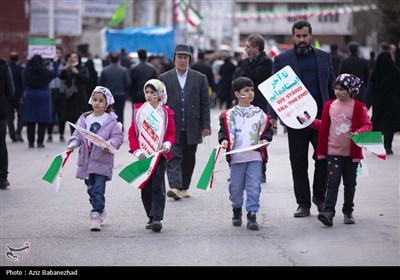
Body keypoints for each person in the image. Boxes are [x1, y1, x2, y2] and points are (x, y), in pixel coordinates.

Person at [269, 20, 336, 217]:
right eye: (298, 36)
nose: (302, 40)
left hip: (322, 119)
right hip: (295, 120)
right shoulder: (282, 60)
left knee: (323, 159)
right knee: (298, 163)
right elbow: (275, 91)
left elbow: (332, 86)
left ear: (311, 35)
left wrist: (341, 111)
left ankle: (319, 197)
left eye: (305, 36)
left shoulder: (324, 57)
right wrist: (272, 115)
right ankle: (303, 204)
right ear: (293, 37)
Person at [299, 74, 372, 226]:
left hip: (352, 154)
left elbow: (368, 125)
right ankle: (328, 213)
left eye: (342, 89)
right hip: (333, 152)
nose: (338, 92)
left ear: (351, 90)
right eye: (336, 88)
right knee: (332, 183)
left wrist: (358, 132)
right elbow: (324, 125)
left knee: (350, 184)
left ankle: (348, 211)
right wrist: (310, 122)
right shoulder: (329, 105)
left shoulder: (359, 107)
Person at [218, 77, 273, 230]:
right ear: (237, 94)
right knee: (236, 186)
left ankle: (252, 214)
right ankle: (236, 208)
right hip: (237, 157)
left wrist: (266, 140)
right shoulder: (229, 115)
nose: (250, 93)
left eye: (251, 90)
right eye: (246, 91)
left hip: (255, 156)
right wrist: (223, 141)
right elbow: (224, 133)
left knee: (254, 186)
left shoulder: (259, 113)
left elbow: (267, 131)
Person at [67, 86, 124, 231]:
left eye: (101, 101)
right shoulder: (84, 119)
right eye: (95, 99)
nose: (97, 103)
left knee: (99, 188)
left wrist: (109, 144)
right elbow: (78, 134)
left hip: (102, 161)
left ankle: (95, 214)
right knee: (91, 189)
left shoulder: (111, 121)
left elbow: (117, 137)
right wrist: (73, 143)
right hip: (86, 161)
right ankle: (100, 208)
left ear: (107, 103)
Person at [159, 44, 211, 200]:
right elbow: (159, 104)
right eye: (180, 57)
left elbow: (205, 103)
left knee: (189, 158)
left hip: (192, 124)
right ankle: (175, 186)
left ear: (190, 59)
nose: (182, 61)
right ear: (174, 58)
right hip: (171, 125)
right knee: (172, 155)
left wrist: (206, 125)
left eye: (185, 57)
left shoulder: (200, 78)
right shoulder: (164, 78)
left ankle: (184, 187)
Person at [128, 79, 176, 232]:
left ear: (160, 94)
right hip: (144, 157)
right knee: (146, 188)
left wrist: (168, 144)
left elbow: (171, 133)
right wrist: (137, 150)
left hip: (159, 156)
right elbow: (132, 133)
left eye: (153, 93)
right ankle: (150, 215)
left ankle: (157, 218)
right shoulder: (139, 112)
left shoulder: (166, 113)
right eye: (147, 92)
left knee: (158, 186)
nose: (149, 96)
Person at [235, 34, 273, 183]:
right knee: (242, 137)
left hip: (259, 106)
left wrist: (244, 61)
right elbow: (240, 76)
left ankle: (260, 171)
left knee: (259, 139)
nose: (246, 49)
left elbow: (251, 77)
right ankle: (241, 171)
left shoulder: (266, 62)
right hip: (244, 105)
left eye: (249, 46)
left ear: (256, 48)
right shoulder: (251, 61)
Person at [364, 51, 400, 155]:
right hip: (393, 102)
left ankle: (376, 147)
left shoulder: (375, 72)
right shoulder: (396, 72)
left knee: (377, 123)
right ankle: (388, 147)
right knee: (389, 124)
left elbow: (369, 89)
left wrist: (366, 104)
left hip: (378, 102)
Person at [23, 55, 59, 148]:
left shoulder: (27, 72)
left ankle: (31, 142)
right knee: (42, 120)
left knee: (30, 120)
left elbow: (23, 73)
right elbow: (55, 73)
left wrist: (28, 62)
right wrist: (55, 62)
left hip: (30, 96)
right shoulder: (45, 72)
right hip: (43, 97)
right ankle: (40, 142)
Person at [99, 53, 131, 129]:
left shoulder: (104, 70)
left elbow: (100, 83)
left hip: (108, 95)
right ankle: (120, 127)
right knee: (120, 113)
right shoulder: (124, 70)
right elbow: (128, 83)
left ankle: (108, 128)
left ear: (110, 59)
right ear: (118, 60)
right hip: (121, 94)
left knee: (108, 112)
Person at [0, 58, 15, 189]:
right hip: (1, 111)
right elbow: (11, 91)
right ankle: (2, 178)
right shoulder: (4, 67)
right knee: (1, 144)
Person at [7, 52, 25, 143]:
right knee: (21, 116)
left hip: (9, 97)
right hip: (19, 96)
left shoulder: (7, 69)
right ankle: (18, 133)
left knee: (10, 117)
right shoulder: (21, 69)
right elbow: (23, 83)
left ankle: (12, 136)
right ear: (18, 59)